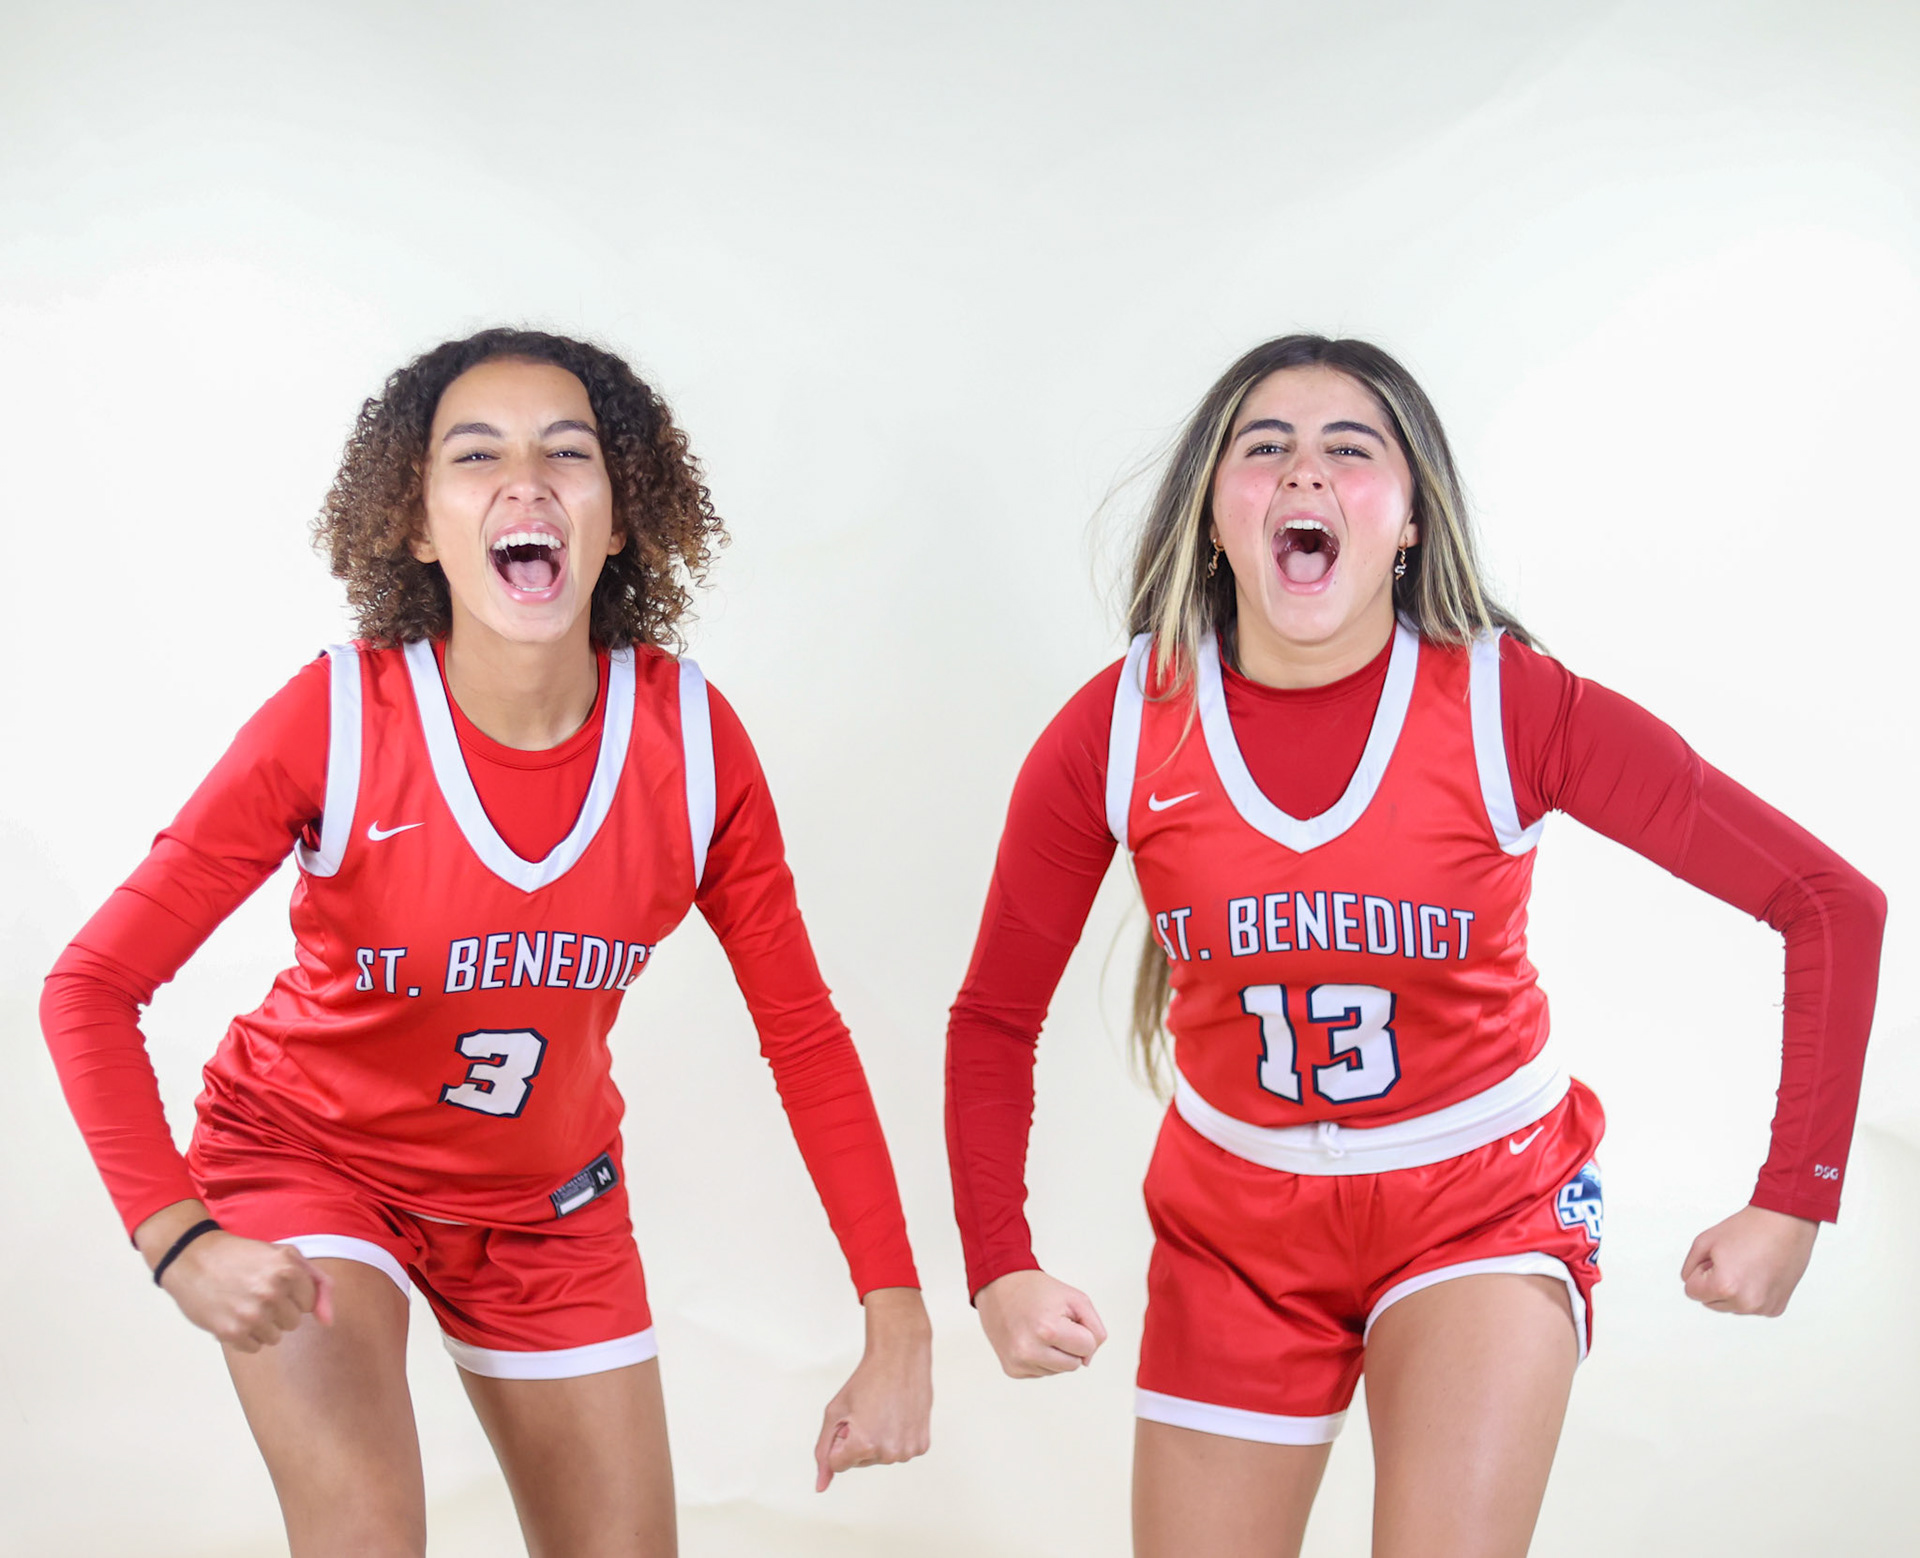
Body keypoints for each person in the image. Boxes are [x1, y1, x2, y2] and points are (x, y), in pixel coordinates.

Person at [944, 334, 1884, 1557]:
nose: (1305, 475)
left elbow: (1828, 901)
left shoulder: (1513, 704)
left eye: (1353, 449)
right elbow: (995, 1018)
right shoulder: (1120, 727)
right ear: (1212, 517)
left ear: (1411, 525)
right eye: (1263, 446)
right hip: (1236, 1223)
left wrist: (1795, 1197)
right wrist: (998, 1263)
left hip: (1478, 1203)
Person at [42, 328, 932, 1557]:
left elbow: (804, 1035)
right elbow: (89, 987)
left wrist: (900, 1323)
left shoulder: (689, 743)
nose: (526, 481)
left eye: (568, 452)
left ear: (618, 518)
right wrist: (175, 1233)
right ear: (418, 523)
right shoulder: (340, 718)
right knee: (364, 1534)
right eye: (477, 456)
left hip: (547, 1203)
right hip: (315, 1161)